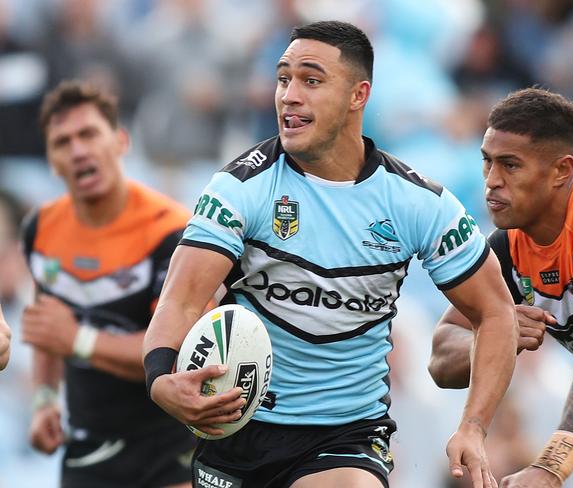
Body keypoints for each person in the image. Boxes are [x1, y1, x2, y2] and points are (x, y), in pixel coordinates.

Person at [143, 20, 518, 488]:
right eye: (283, 79)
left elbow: (496, 312)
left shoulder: (418, 203)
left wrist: (474, 426)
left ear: (358, 95)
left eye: (311, 80)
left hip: (346, 434)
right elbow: (179, 300)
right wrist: (161, 381)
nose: (289, 95)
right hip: (237, 427)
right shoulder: (240, 188)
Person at [428, 88, 573, 487]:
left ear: (561, 171)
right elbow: (443, 356)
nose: (492, 182)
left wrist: (548, 469)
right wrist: (495, 333)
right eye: (488, 162)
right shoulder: (508, 244)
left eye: (510, 166)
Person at [21, 79, 196, 488]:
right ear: (51, 161)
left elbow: (176, 357)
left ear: (120, 141)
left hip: (168, 446)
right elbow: (47, 328)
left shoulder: (171, 232)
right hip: (88, 447)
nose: (79, 150)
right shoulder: (41, 229)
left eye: (89, 134)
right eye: (62, 142)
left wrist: (78, 340)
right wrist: (45, 400)